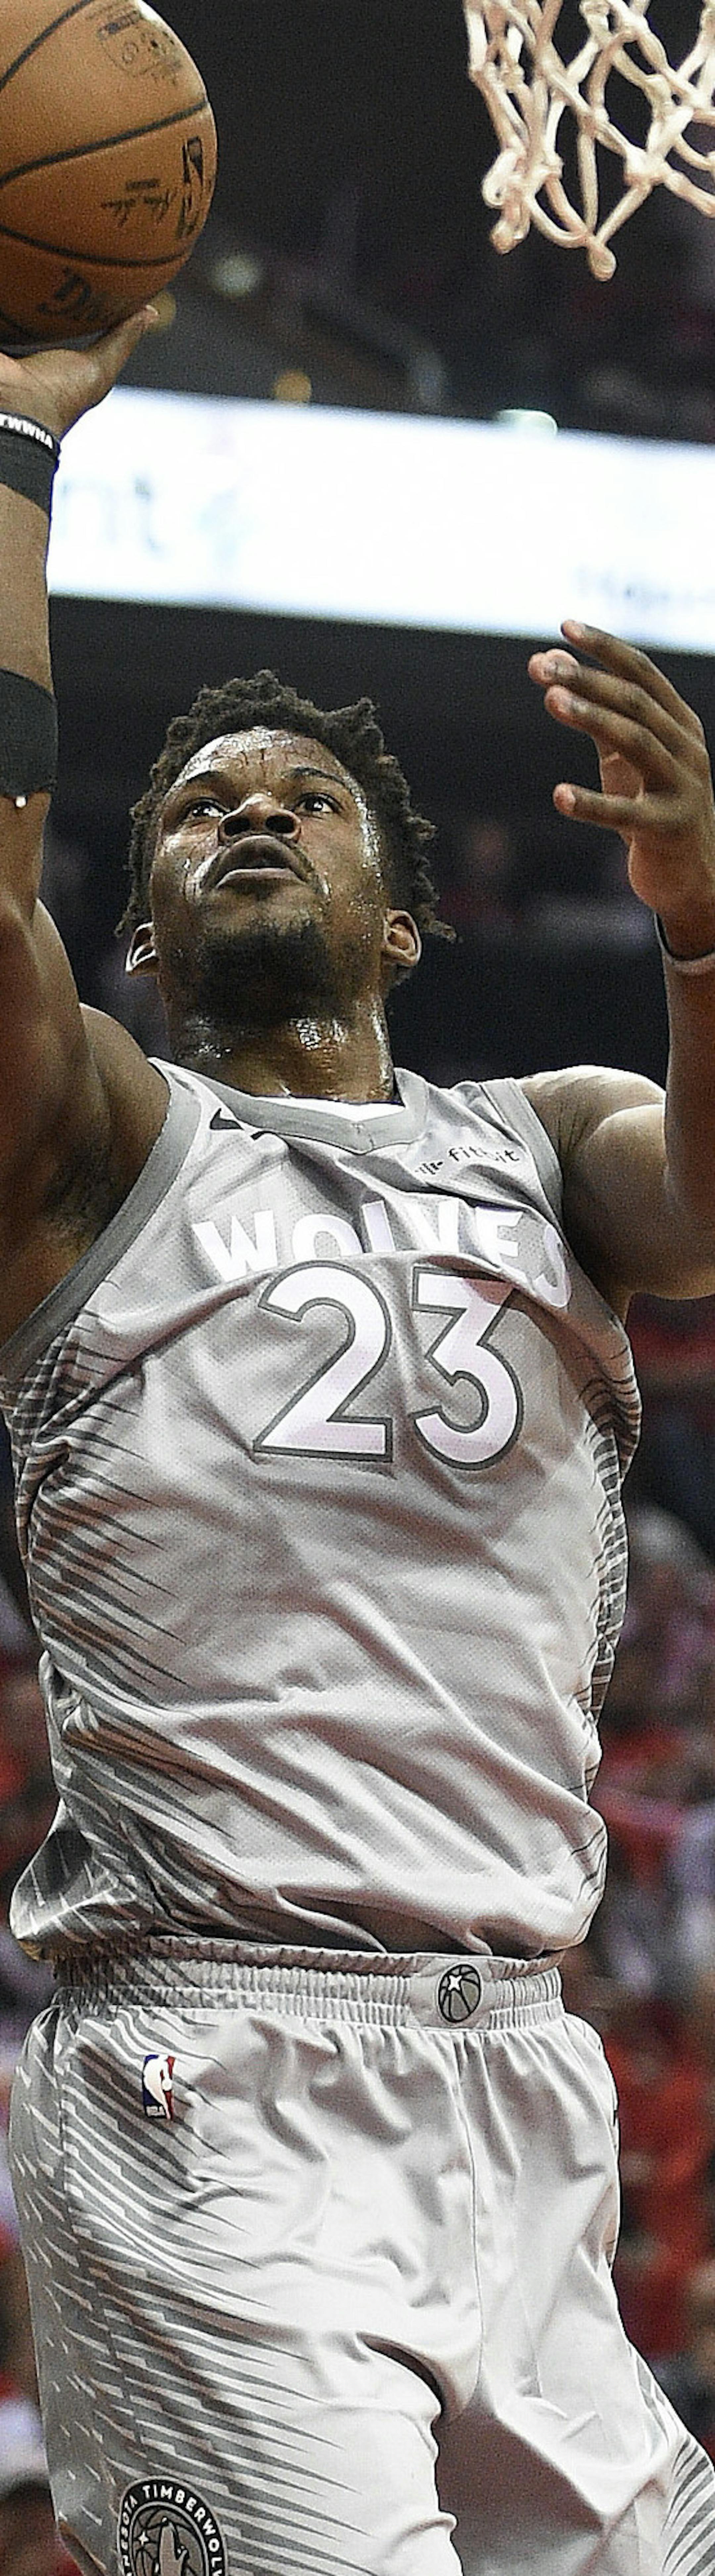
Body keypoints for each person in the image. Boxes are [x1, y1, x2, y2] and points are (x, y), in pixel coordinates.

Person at [0, 319, 715, 2576]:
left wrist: (707, 921)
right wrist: (17, 448)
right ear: (129, 933)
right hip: (208, 2065)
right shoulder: (97, 1148)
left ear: (406, 917)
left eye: (302, 793)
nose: (245, 811)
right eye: (201, 800)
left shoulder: (555, 1140)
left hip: (518, 2062)